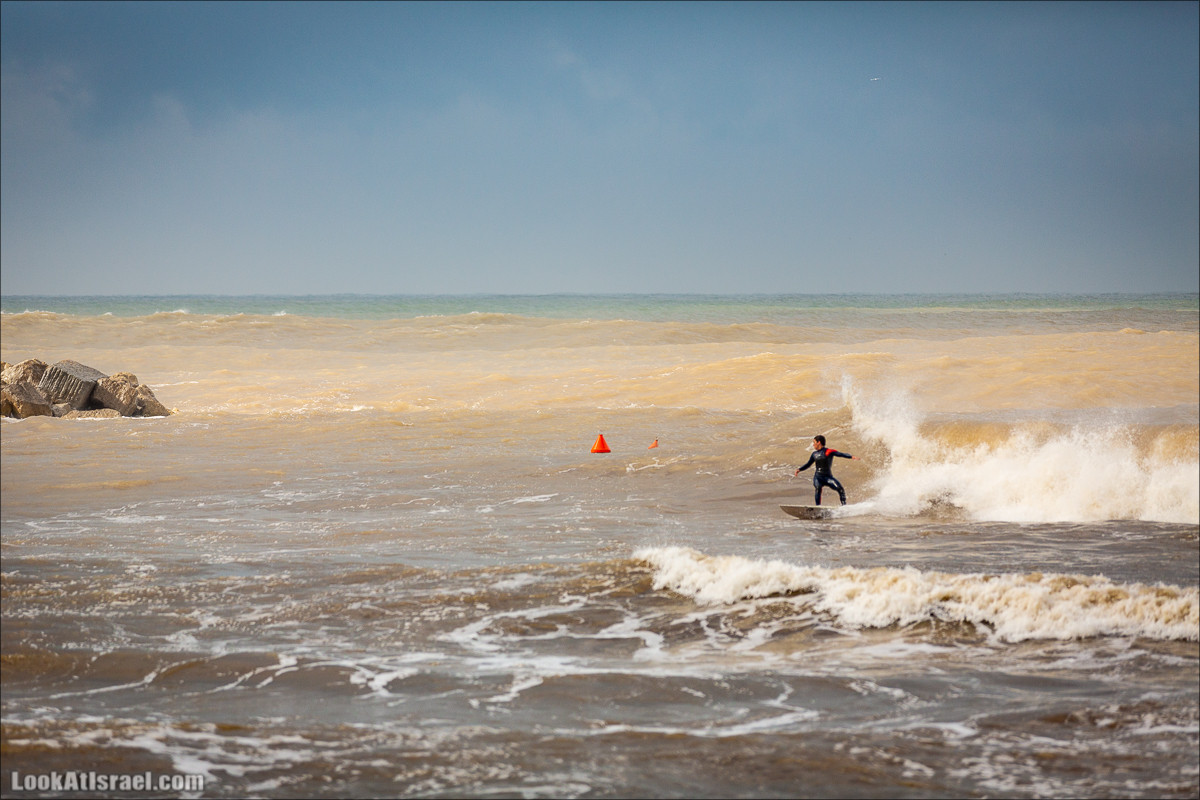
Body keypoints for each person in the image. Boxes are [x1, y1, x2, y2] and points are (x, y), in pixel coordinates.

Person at [795, 435, 857, 505]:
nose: (813, 444)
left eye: (814, 442)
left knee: (840, 489)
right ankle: (818, 507)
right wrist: (799, 469)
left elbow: (840, 454)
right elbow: (808, 464)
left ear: (819, 442)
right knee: (818, 489)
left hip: (828, 477)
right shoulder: (814, 454)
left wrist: (851, 456)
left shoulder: (828, 451)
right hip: (818, 478)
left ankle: (844, 506)